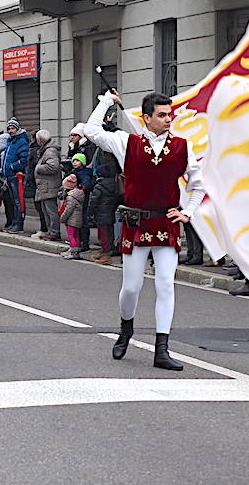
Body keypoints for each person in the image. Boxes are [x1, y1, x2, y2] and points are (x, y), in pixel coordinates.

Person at [85, 90, 205, 371]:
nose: (168, 119)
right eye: (162, 115)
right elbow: (91, 130)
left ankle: (162, 349)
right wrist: (105, 101)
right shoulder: (127, 143)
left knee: (165, 284)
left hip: (165, 224)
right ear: (146, 118)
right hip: (136, 224)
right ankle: (126, 329)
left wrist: (187, 212)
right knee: (131, 288)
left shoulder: (182, 147)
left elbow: (197, 186)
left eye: (170, 114)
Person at [0, 118, 29, 233]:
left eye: (12, 128)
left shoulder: (21, 141)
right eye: (9, 129)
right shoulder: (10, 141)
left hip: (16, 177)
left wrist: (12, 167)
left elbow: (23, 159)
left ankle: (19, 224)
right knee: (13, 201)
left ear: (17, 129)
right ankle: (14, 223)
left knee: (18, 201)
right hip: (8, 177)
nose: (10, 131)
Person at [33, 129, 62, 242]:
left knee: (51, 211)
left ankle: (54, 232)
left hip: (49, 186)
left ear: (41, 140)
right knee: (46, 211)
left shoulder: (50, 151)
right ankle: (51, 231)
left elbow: (53, 167)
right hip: (45, 186)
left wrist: (38, 168)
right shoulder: (46, 150)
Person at [58, 174, 85, 259]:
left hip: (71, 219)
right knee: (76, 235)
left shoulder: (70, 197)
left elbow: (68, 210)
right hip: (77, 219)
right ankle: (76, 251)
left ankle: (73, 252)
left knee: (71, 236)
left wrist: (62, 218)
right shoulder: (78, 194)